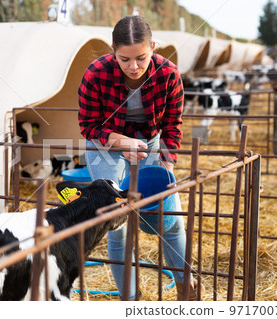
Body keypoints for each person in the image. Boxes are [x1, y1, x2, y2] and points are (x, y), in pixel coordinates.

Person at [78, 15, 204, 300]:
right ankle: (130, 299)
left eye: (141, 58)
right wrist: (122, 141)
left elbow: (173, 125)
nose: (133, 66)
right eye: (124, 59)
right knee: (117, 220)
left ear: (153, 47)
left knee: (170, 217)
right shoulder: (95, 74)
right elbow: (89, 126)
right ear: (113, 51)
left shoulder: (169, 74)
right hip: (106, 144)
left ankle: (187, 289)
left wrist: (166, 168)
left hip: (151, 140)